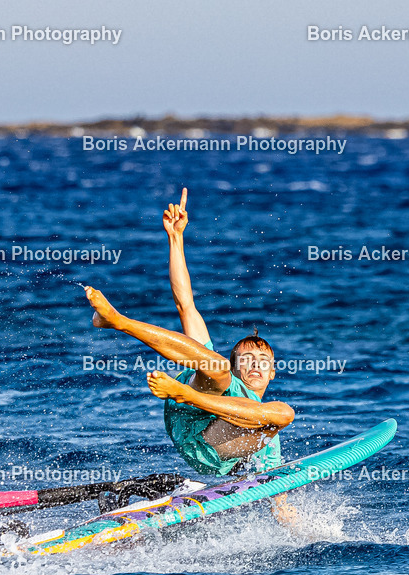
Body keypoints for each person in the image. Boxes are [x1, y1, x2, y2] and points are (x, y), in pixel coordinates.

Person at [84, 189, 297, 523]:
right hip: (187, 403)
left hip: (210, 448)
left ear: (273, 372)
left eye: (263, 361)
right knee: (214, 365)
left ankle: (184, 390)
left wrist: (286, 516)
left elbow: (274, 486)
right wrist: (176, 238)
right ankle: (119, 321)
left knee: (282, 414)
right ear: (238, 367)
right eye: (247, 359)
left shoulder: (268, 428)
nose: (255, 364)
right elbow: (185, 303)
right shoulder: (225, 373)